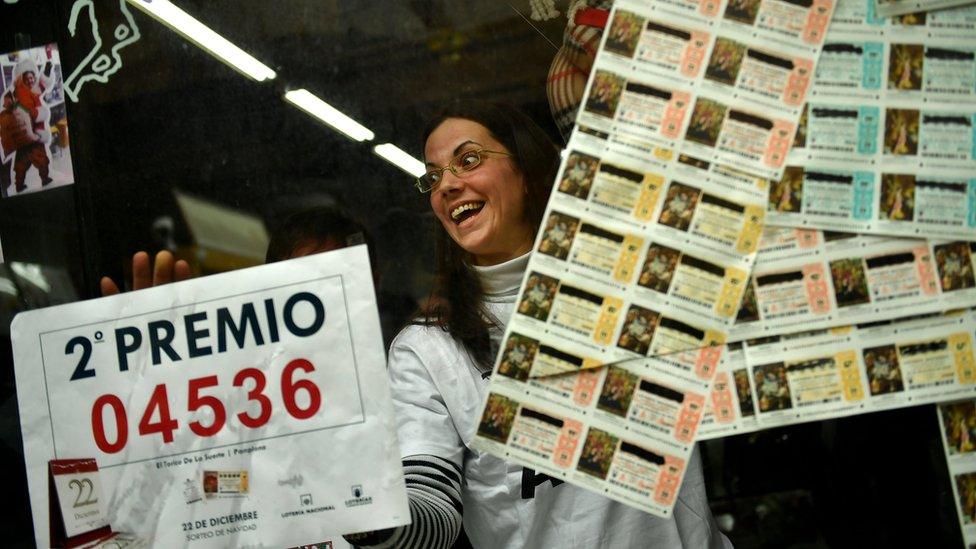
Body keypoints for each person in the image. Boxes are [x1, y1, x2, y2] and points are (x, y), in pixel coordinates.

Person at [348, 101, 731, 548]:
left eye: (468, 160)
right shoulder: (428, 348)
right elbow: (432, 507)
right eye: (432, 178)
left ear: (526, 173)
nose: (447, 185)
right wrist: (369, 512)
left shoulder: (631, 281)